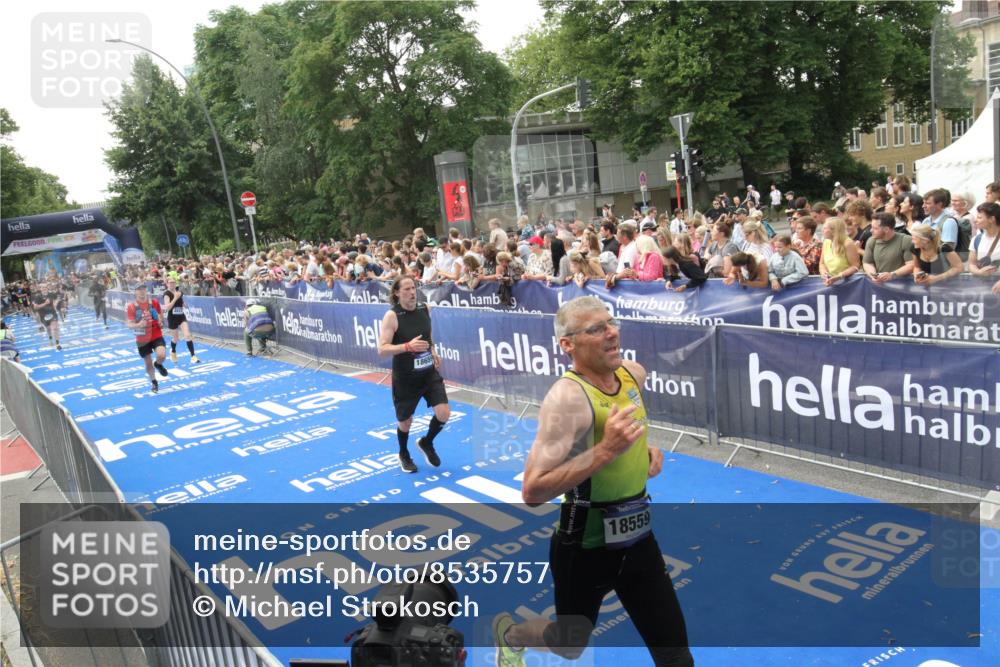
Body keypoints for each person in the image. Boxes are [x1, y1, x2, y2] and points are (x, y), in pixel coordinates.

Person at [494, 296, 692, 667]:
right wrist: (606, 452)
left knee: (676, 656)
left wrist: (644, 453)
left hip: (637, 540)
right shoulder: (567, 398)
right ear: (567, 344)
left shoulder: (633, 373)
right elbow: (533, 490)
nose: (612, 332)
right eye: (596, 328)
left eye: (611, 322)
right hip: (583, 548)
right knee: (569, 645)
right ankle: (511, 636)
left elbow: (625, 435)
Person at [377, 276, 450, 474]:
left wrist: (433, 350)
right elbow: (382, 349)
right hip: (405, 378)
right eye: (407, 289)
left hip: (428, 374)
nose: (412, 292)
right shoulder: (392, 316)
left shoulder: (424, 308)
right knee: (405, 422)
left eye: (413, 288)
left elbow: (428, 335)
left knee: (444, 413)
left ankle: (427, 442)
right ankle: (403, 454)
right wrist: (407, 346)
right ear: (397, 293)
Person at [126, 284, 168, 393]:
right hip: (142, 338)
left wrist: (161, 322)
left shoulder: (153, 302)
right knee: (148, 362)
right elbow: (130, 324)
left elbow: (160, 315)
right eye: (139, 289)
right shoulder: (131, 306)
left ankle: (158, 364)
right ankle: (154, 382)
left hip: (155, 333)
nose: (142, 291)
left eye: (143, 289)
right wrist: (139, 324)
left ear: (146, 290)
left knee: (161, 355)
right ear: (135, 292)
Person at [862, 213, 914, 283]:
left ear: (886, 229)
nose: (871, 230)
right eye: (871, 227)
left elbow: (912, 264)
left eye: (875, 228)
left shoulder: (905, 240)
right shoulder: (871, 241)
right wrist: (873, 275)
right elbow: (867, 262)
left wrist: (892, 274)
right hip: (879, 286)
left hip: (901, 286)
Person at [162, 277, 200, 364]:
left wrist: (184, 304)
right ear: (167, 284)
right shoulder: (166, 294)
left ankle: (193, 356)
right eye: (170, 283)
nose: (172, 284)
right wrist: (175, 298)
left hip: (181, 317)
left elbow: (180, 301)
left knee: (187, 335)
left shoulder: (179, 292)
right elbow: (167, 307)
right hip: (172, 318)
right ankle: (173, 351)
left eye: (173, 282)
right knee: (176, 338)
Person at [819, 217, 861, 286]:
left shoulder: (848, 244)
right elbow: (822, 264)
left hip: (848, 283)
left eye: (825, 228)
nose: (822, 230)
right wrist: (824, 274)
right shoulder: (826, 242)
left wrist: (839, 276)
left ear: (834, 231)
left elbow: (855, 266)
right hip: (831, 282)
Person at [968, 202, 1000, 284]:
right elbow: (972, 264)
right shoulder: (976, 239)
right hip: (985, 286)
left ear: (992, 219)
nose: (975, 220)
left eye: (979, 217)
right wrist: (979, 272)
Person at [31, 283, 61, 350]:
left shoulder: (51, 294)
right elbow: (35, 308)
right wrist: (45, 303)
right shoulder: (37, 297)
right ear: (40, 289)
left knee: (55, 328)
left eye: (45, 287)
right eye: (42, 287)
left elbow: (57, 298)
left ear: (47, 288)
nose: (44, 289)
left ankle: (58, 343)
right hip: (43, 316)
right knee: (48, 329)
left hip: (52, 314)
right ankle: (50, 339)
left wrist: (55, 303)